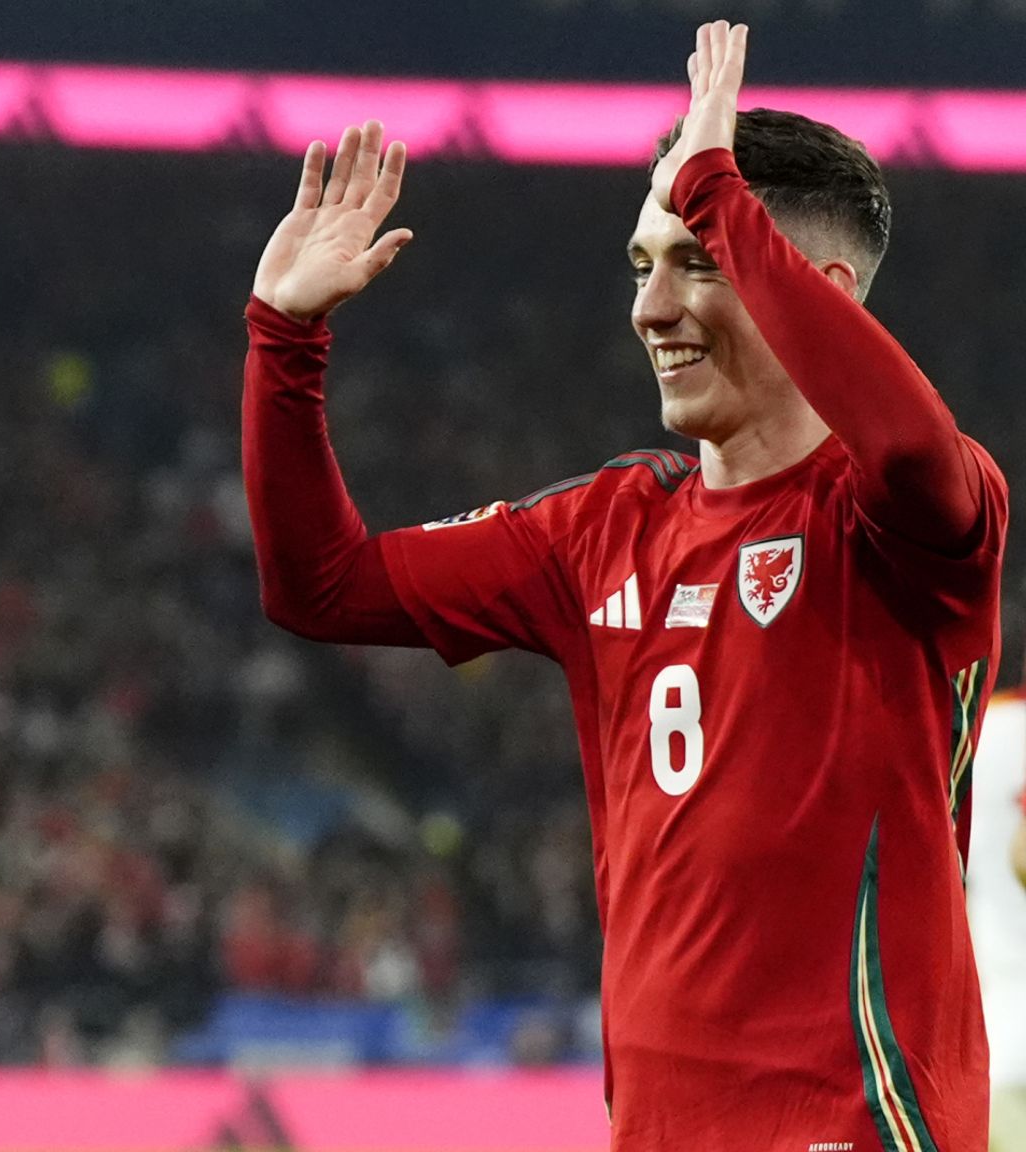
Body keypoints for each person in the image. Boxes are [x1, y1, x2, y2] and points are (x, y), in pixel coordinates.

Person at [242, 21, 1002, 1150]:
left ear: (822, 292)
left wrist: (712, 185)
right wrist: (283, 339)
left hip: (859, 1122)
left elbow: (901, 448)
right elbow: (321, 586)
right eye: (642, 266)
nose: (650, 308)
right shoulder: (598, 530)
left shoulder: (903, 517)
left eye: (697, 260)